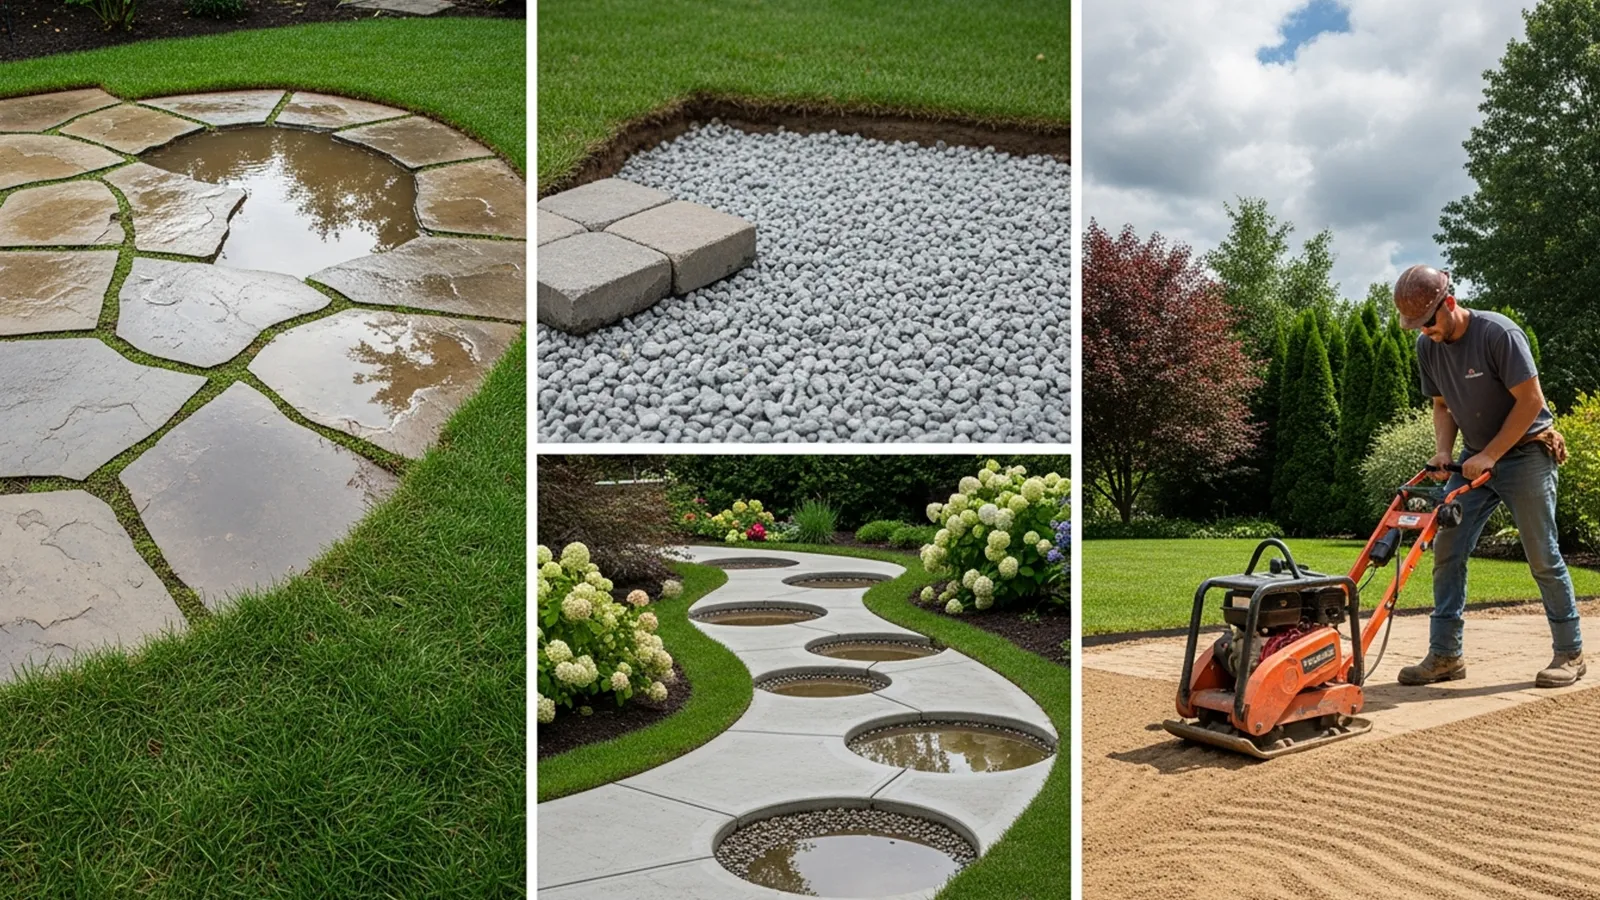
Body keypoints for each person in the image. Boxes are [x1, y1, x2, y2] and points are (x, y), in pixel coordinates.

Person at [1390, 264, 1584, 688]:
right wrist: (1444, 453)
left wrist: (1494, 453)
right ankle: (1445, 656)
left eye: (1428, 322)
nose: (1425, 332)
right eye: (1417, 326)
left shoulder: (1499, 334)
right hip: (1473, 459)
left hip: (1527, 452)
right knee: (1447, 546)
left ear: (1450, 304)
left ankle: (1570, 653)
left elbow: (1530, 401)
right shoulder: (1429, 347)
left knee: (1541, 555)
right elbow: (1442, 405)